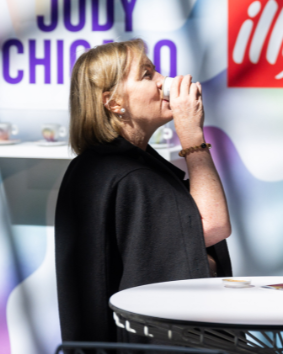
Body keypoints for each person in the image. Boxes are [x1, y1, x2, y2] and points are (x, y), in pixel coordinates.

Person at [54, 39, 232, 342]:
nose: (163, 81)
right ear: (114, 103)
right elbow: (212, 226)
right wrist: (191, 134)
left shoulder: (112, 164)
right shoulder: (127, 173)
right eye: (147, 74)